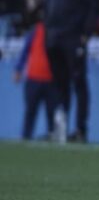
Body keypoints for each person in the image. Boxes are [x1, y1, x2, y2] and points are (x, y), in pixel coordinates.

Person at [44, 0, 99, 143]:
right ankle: (60, 129)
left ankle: (80, 129)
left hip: (74, 37)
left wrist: (86, 34)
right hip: (54, 38)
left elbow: (94, 8)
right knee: (59, 85)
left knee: (79, 82)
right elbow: (47, 4)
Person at [13, 9, 63, 141]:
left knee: (51, 113)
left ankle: (52, 137)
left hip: (51, 80)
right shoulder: (34, 33)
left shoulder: (57, 34)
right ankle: (25, 138)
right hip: (34, 79)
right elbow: (25, 52)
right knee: (30, 112)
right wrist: (18, 69)